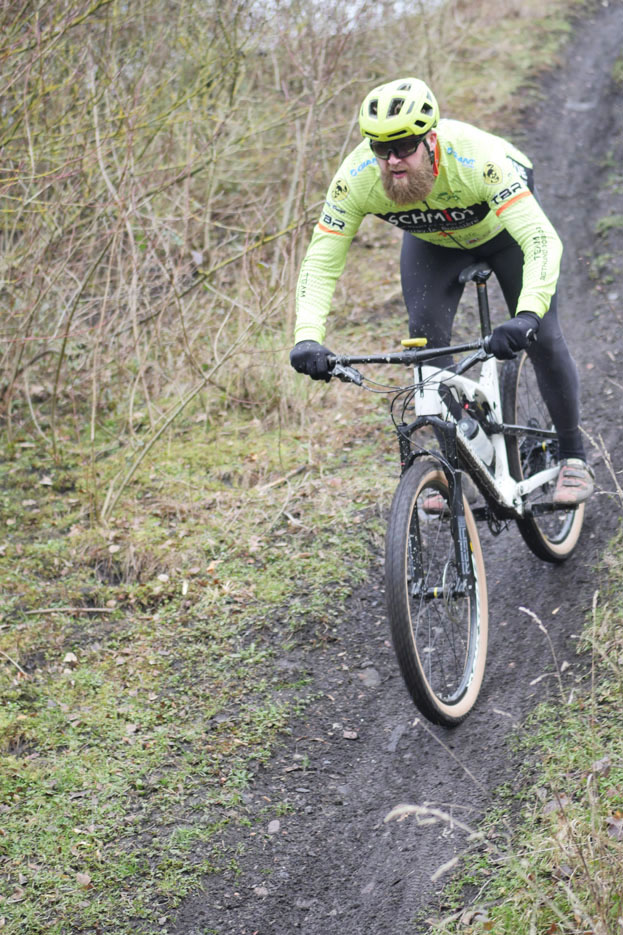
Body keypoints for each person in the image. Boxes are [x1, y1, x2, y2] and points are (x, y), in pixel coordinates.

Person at [289, 77, 594, 505]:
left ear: (431, 140)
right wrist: (307, 336)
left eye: (404, 147)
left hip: (505, 235)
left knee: (541, 334)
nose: (393, 160)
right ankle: (459, 457)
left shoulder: (477, 160)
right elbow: (322, 261)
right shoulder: (356, 179)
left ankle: (573, 458)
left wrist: (527, 314)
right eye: (381, 149)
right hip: (434, 244)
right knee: (425, 344)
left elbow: (541, 239)